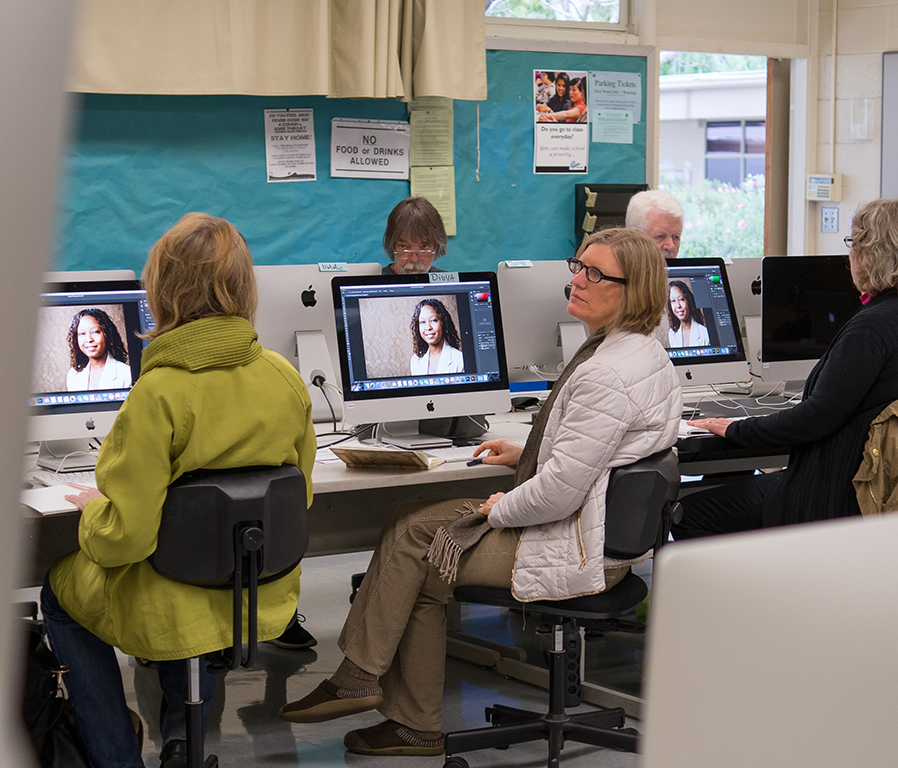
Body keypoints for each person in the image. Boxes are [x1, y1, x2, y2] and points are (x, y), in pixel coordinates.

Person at [279, 228, 683, 756]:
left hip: (575, 542)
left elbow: (558, 494)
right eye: (577, 266)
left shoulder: (607, 371)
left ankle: (366, 681)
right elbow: (601, 453)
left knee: (413, 539)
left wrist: (499, 510)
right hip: (597, 530)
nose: (577, 281)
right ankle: (403, 716)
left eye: (596, 274)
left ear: (634, 291)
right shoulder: (638, 351)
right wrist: (527, 454)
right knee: (413, 535)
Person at [42, 212, 316, 768]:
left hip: (173, 598)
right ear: (245, 286)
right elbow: (299, 498)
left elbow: (127, 539)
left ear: (160, 291)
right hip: (255, 595)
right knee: (191, 570)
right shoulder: (284, 376)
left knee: (59, 592)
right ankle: (180, 742)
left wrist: (97, 512)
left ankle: (115, 755)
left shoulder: (156, 394)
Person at [675, 198, 898, 536]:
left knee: (689, 511)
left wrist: (734, 429)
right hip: (884, 489)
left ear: (867, 252)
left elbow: (814, 419)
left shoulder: (870, 328)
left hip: (830, 496)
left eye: (853, 242)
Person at [66, 308, 133, 391]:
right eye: (82, 333)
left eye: (95, 332)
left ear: (107, 334)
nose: (89, 339)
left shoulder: (126, 373)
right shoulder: (73, 375)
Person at [381, 197, 448, 275]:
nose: (414, 259)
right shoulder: (374, 284)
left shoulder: (450, 284)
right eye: (403, 247)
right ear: (392, 247)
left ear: (436, 247)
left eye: (424, 246)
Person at [408, 299, 465, 375]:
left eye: (433, 320)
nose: (428, 327)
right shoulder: (416, 360)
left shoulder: (460, 359)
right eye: (422, 322)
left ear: (443, 323)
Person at [625, 189, 685, 259]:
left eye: (675, 237)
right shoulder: (614, 269)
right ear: (632, 237)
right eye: (659, 236)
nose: (671, 246)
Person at [666, 279, 710, 347]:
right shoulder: (672, 334)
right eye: (673, 301)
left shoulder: (704, 333)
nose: (678, 305)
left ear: (689, 301)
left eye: (681, 299)